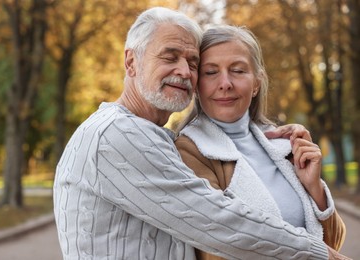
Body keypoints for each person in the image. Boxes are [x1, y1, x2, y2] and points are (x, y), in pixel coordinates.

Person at [53, 7, 345, 259]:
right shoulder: (116, 134)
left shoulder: (154, 137)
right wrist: (319, 254)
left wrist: (314, 187)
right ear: (131, 62)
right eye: (170, 57)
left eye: (192, 63)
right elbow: (218, 223)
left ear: (257, 82)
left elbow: (327, 231)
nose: (183, 71)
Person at [175, 25, 347, 259]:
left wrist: (315, 188)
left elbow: (333, 242)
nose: (225, 83)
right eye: (211, 72)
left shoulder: (283, 147)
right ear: (196, 85)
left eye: (237, 70)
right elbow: (219, 247)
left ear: (256, 83)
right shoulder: (189, 151)